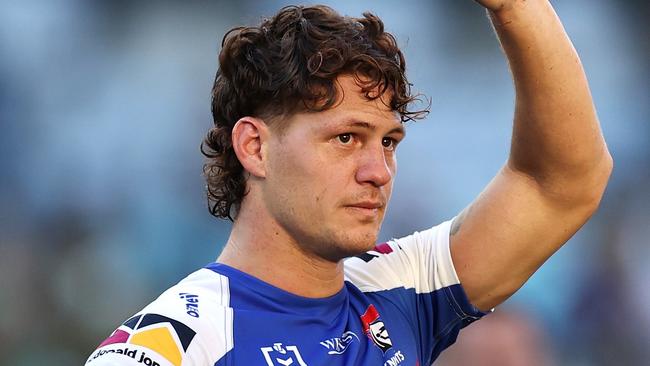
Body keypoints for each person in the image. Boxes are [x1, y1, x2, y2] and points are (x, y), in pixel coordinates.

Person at [85, 1, 612, 365]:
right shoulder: (177, 342)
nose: (377, 172)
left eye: (387, 142)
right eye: (345, 138)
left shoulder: (398, 287)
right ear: (255, 147)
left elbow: (561, 183)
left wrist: (514, 7)